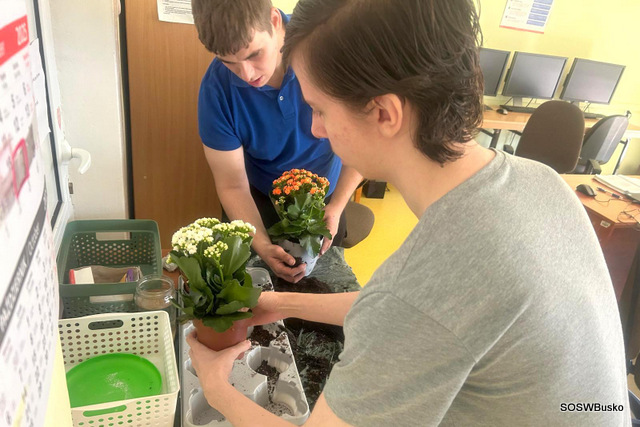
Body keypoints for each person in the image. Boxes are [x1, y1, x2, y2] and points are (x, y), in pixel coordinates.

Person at [186, 0, 630, 425]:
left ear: (384, 113)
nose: (315, 129)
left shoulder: (425, 285)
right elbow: (416, 309)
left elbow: (412, 306)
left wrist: (215, 384)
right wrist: (278, 303)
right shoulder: (544, 181)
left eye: (319, 109)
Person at [191, 0, 362, 284]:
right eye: (229, 62)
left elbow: (363, 141)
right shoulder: (216, 89)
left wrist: (336, 207)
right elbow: (232, 184)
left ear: (274, 20)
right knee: (250, 286)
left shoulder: (330, 48)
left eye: (254, 54)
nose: (247, 75)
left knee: (323, 283)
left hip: (325, 197)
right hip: (257, 198)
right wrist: (260, 243)